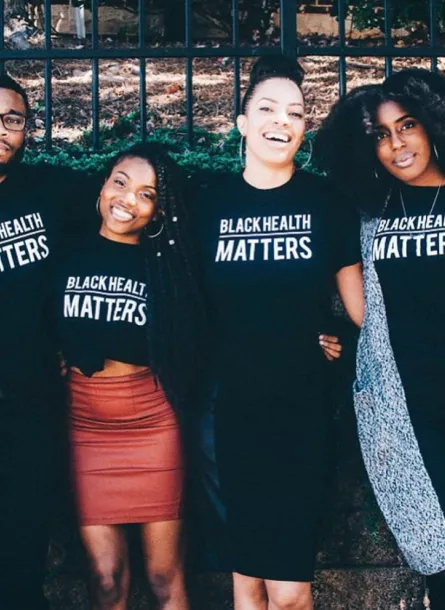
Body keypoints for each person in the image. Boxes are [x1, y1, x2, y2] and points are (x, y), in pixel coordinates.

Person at [190, 56, 363, 610]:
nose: (281, 121)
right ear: (241, 122)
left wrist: (333, 333)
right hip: (230, 415)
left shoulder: (325, 203)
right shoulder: (206, 204)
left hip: (301, 413)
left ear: (304, 129)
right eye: (266, 108)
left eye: (295, 112)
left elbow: (362, 309)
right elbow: (183, 305)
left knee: (289, 592)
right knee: (248, 589)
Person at [54, 143, 204, 610]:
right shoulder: (66, 251)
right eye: (120, 182)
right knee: (105, 578)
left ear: (159, 210)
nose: (127, 199)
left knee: (163, 576)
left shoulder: (166, 268)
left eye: (147, 194)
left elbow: (224, 320)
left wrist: (311, 335)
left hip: (153, 428)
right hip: (84, 427)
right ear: (102, 185)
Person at [316, 69, 445, 608]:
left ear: (432, 125)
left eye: (407, 125)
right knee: (438, 553)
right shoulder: (366, 215)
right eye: (380, 135)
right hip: (409, 406)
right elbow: (360, 313)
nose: (397, 144)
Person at [0, 73, 97, 609]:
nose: (2, 131)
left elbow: (120, 236)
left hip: (33, 407)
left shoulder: (53, 193)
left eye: (13, 120)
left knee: (22, 560)